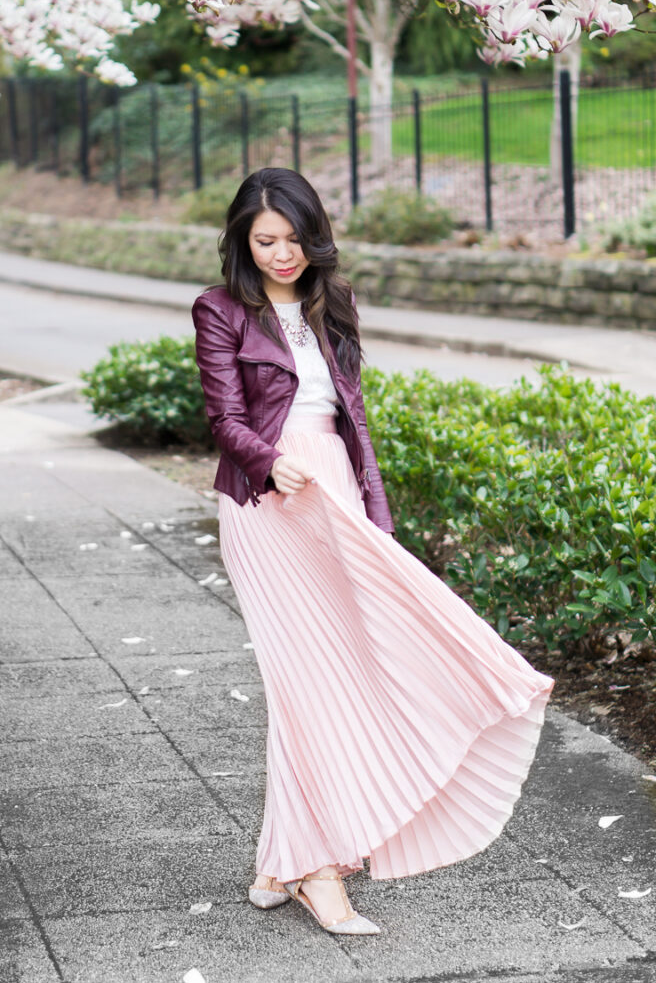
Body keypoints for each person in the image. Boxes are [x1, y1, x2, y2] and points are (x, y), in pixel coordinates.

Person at [191, 167, 554, 937]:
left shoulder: (335, 305)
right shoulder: (220, 309)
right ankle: (319, 873)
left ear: (313, 237)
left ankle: (279, 862)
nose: (282, 254)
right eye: (265, 241)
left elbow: (353, 418)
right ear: (241, 242)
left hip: (336, 497)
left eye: (293, 239)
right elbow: (223, 416)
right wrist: (267, 459)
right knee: (305, 680)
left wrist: (375, 515)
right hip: (266, 505)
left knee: (363, 662)